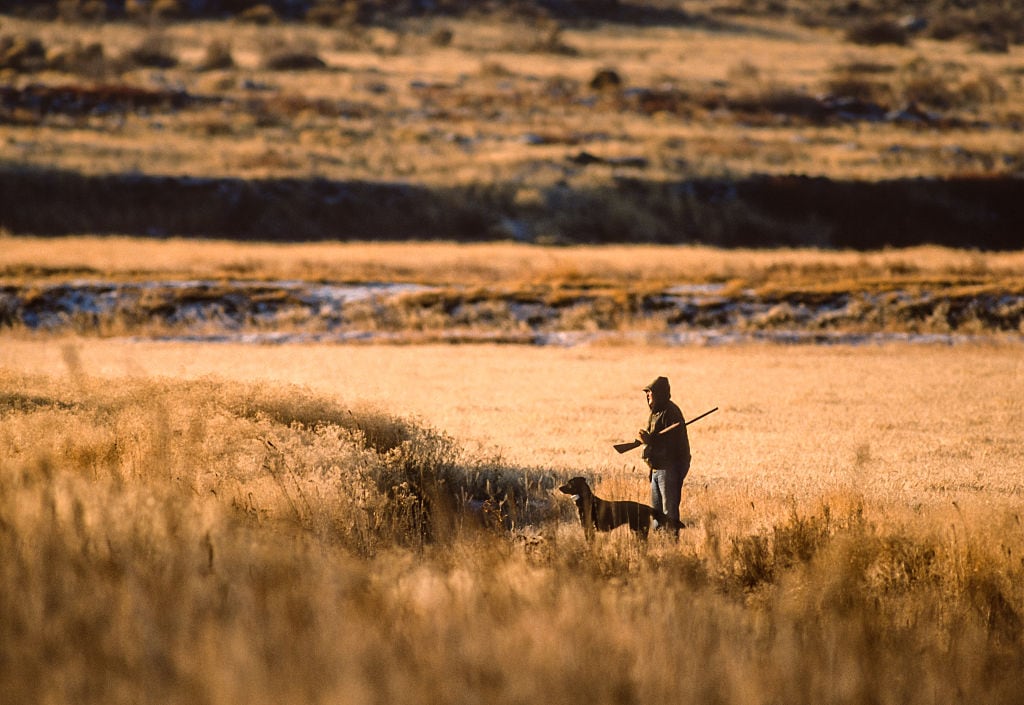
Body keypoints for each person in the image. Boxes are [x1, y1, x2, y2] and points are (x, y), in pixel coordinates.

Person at [638, 376, 691, 535]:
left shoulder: (671, 412)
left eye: (650, 392)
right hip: (656, 468)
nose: (648, 395)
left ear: (659, 394)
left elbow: (672, 444)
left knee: (669, 512)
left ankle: (672, 547)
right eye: (646, 393)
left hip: (669, 469)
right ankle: (662, 547)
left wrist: (651, 439)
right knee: (657, 513)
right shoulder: (655, 413)